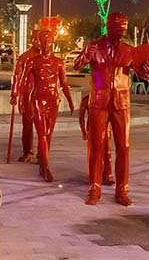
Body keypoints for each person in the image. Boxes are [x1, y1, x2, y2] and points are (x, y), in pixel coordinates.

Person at [74, 12, 149, 206]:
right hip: (98, 103)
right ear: (108, 26)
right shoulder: (94, 47)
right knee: (96, 147)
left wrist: (146, 72)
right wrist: (86, 54)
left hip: (121, 104)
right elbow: (77, 66)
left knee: (123, 147)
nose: (121, 32)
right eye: (118, 28)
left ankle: (122, 191)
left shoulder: (129, 50)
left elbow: (143, 74)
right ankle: (94, 189)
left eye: (124, 28)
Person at [18, 30, 75, 182]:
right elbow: (24, 82)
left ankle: (43, 161)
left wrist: (70, 100)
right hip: (38, 99)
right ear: (39, 42)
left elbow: (64, 83)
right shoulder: (32, 61)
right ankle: (46, 167)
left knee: (48, 134)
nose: (46, 43)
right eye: (43, 40)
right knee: (42, 133)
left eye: (48, 40)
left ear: (52, 42)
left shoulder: (59, 62)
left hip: (53, 100)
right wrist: (20, 99)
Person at [10, 30, 41, 163]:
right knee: (27, 125)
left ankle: (42, 153)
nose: (39, 43)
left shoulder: (48, 58)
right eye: (36, 39)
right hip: (28, 94)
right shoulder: (25, 57)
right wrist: (15, 93)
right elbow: (17, 76)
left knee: (43, 127)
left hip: (43, 95)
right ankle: (28, 152)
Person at [78, 94, 114, 186]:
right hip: (92, 129)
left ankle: (107, 175)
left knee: (107, 152)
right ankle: (93, 175)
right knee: (94, 152)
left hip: (106, 129)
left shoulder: (106, 97)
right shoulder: (87, 99)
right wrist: (83, 131)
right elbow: (81, 116)